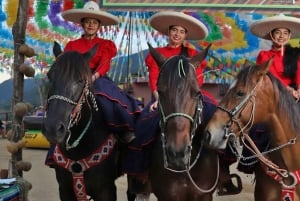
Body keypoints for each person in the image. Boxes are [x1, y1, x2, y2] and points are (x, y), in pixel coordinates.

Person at [123, 11, 239, 196]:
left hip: (191, 97)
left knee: (218, 121)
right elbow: (154, 78)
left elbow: (195, 82)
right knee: (144, 123)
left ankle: (224, 173)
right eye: (174, 30)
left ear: (185, 35)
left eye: (181, 31)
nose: (177, 34)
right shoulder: (159, 54)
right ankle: (142, 173)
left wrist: (190, 96)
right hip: (164, 98)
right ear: (168, 33)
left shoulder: (193, 54)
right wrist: (157, 97)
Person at [60, 1, 142, 143]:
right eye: (88, 22)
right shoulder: (72, 45)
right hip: (75, 78)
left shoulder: (105, 45)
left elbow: (104, 64)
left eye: (94, 22)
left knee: (104, 94)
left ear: (99, 25)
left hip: (97, 76)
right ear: (82, 24)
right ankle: (55, 131)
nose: (91, 25)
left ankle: (121, 129)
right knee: (59, 96)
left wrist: (93, 77)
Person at [236, 14, 300, 174]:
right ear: (271, 35)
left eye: (285, 33)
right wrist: (288, 90)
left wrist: (299, 89)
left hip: (295, 95)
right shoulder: (264, 55)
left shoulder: (295, 54)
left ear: (289, 36)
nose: (281, 36)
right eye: (278, 33)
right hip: (273, 95)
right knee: (258, 128)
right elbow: (270, 75)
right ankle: (250, 163)